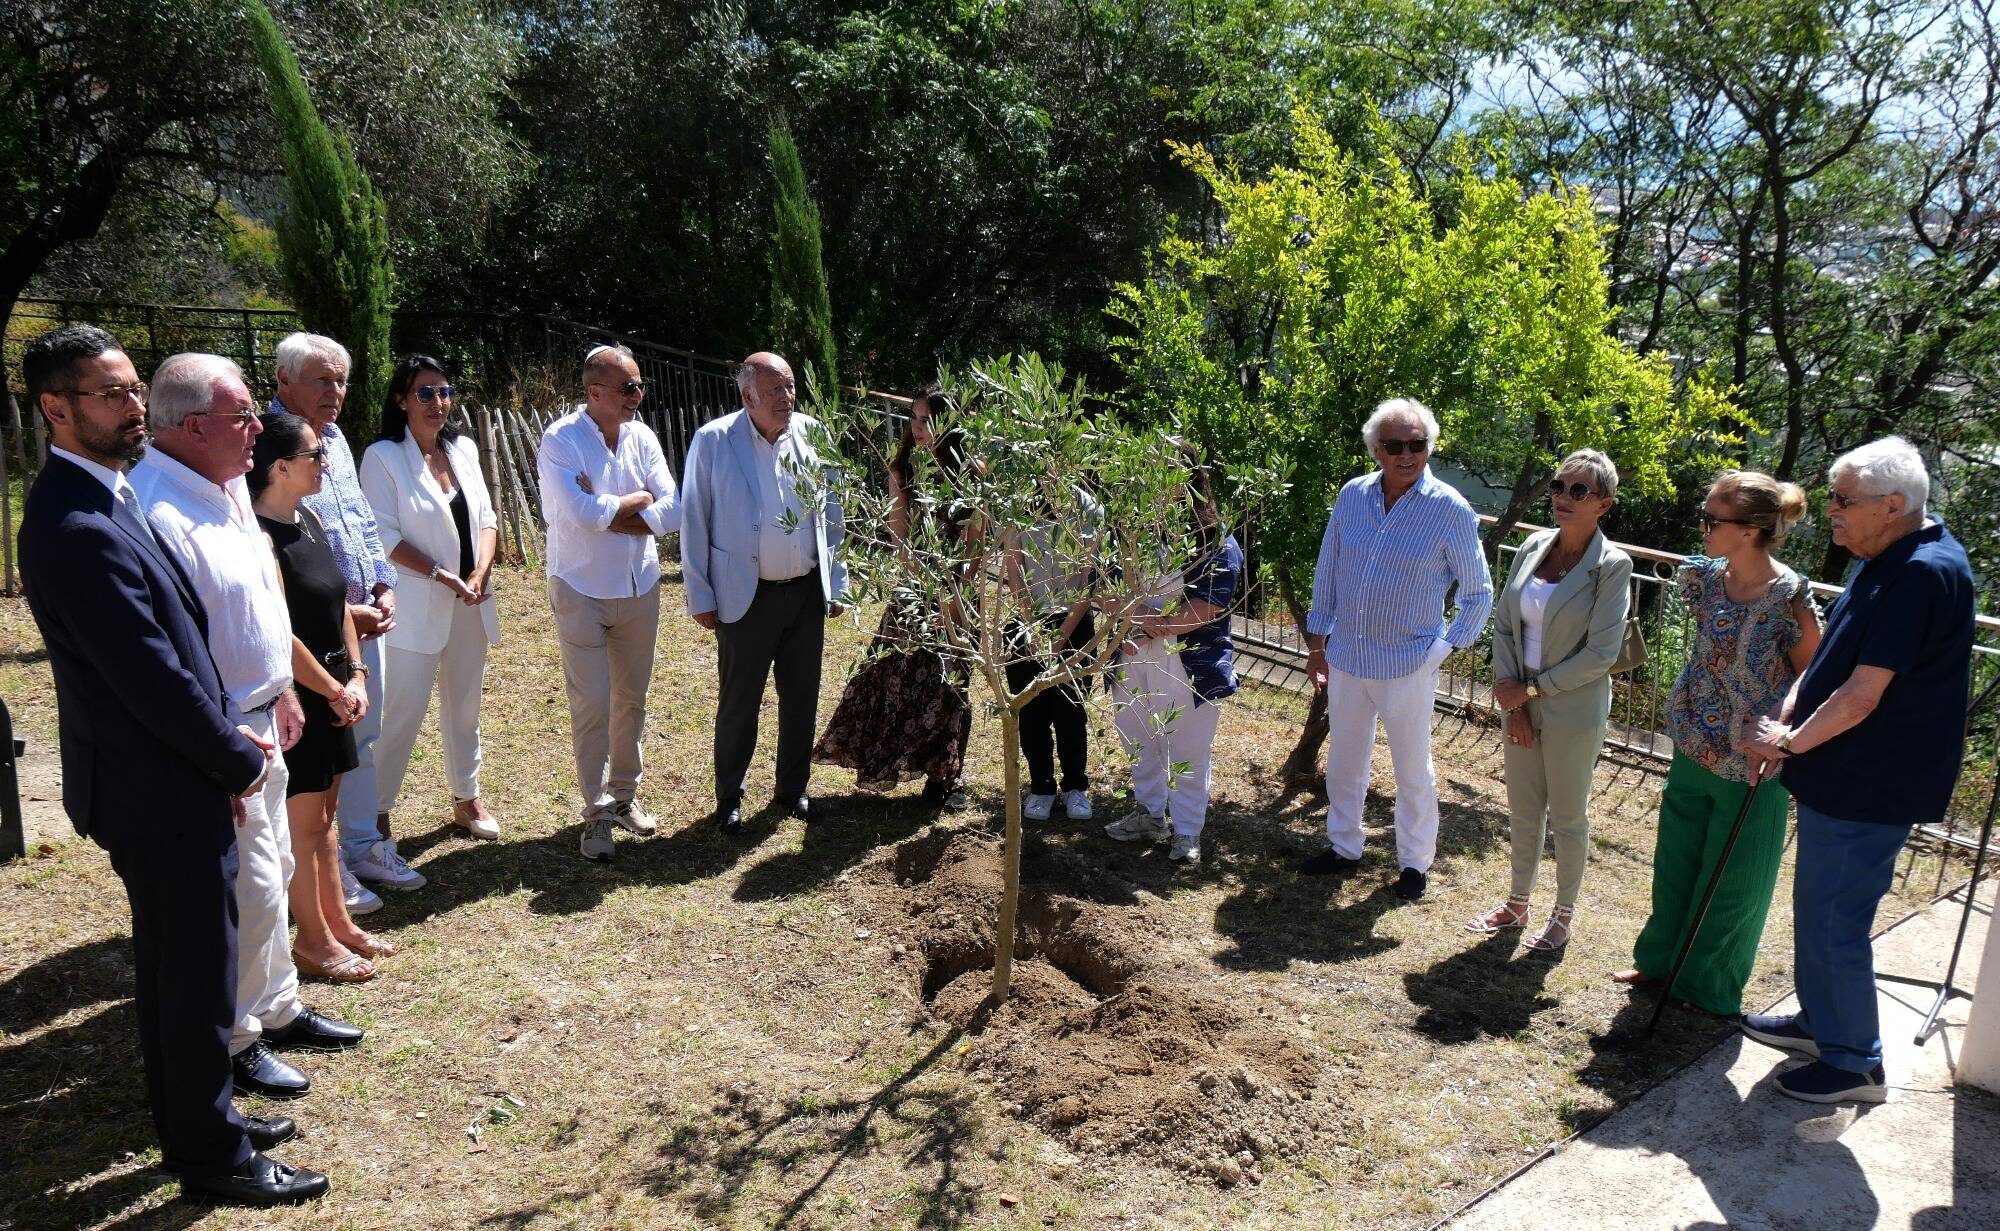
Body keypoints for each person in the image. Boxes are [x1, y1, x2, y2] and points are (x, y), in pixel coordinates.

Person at [18, 326, 328, 1205]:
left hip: (166, 773)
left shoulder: (107, 494)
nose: (131, 406)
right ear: (55, 407)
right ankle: (213, 1158)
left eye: (131, 388)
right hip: (153, 785)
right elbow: (149, 675)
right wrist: (233, 759)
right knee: (191, 976)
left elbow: (180, 639)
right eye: (110, 393)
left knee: (183, 971)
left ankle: (199, 1121)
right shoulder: (75, 524)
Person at [132, 354, 365, 1105]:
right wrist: (223, 741)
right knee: (251, 887)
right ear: (193, 425)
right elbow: (170, 649)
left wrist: (283, 686)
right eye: (242, 416)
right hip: (223, 729)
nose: (259, 429)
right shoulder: (157, 509)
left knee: (277, 871)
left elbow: (259, 598)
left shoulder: (227, 485)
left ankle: (278, 1005)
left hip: (267, 712)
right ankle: (235, 1040)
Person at [1742, 438, 1974, 1104]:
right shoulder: (1885, 556)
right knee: (1819, 910)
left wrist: (1790, 743)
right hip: (1840, 772)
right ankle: (1823, 1024)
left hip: (1869, 783)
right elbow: (1831, 662)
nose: (1831, 511)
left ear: (1892, 505)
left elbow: (1863, 693)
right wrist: (1788, 714)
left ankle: (1854, 1062)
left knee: (1834, 918)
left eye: (1843, 499)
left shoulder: (1922, 573)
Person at [1616, 471, 1819, 1015]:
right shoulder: (1704, 578)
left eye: (1712, 519)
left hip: (1752, 756)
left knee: (1733, 880)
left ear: (1750, 529)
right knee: (1676, 861)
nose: (1702, 528)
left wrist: (1782, 723)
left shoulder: (1789, 595)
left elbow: (1812, 671)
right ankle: (1660, 963)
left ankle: (1706, 988)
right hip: (1693, 739)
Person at [1297, 398, 1494, 901]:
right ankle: (1344, 846)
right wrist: (1318, 643)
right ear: (1376, 449)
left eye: (1417, 444)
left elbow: (1478, 593)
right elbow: (1328, 568)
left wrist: (1440, 652)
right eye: (1395, 445)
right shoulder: (1353, 496)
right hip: (1347, 656)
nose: (1407, 454)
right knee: (1345, 760)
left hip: (1409, 663)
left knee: (1412, 769)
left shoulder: (1450, 509)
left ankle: (1414, 864)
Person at [270, 332, 414, 911]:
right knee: (321, 752)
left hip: (360, 623)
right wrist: (340, 610)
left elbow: (361, 523)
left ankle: (361, 847)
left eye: (341, 381)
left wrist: (383, 584)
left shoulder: (334, 439)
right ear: (284, 381)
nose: (335, 391)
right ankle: (324, 868)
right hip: (309, 627)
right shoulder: (271, 442)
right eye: (322, 380)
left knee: (362, 739)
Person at [1467, 450, 1633, 952]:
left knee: (1567, 816)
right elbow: (1504, 625)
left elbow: (1602, 653)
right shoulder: (1534, 545)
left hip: (1574, 709)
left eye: (1578, 490)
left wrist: (1533, 691)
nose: (1563, 497)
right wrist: (1515, 703)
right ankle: (1517, 903)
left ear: (1603, 504)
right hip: (1520, 699)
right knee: (1523, 809)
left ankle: (1562, 916)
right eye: (1559, 486)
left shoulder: (1612, 565)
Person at [252, 413, 395, 984]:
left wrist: (355, 675)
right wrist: (333, 689)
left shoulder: (307, 518)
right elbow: (278, 631)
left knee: (325, 819)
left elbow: (337, 607)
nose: (325, 463)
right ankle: (312, 940)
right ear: (280, 467)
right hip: (302, 696)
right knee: (304, 824)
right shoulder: (260, 536)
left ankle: (339, 924)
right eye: (314, 455)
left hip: (337, 688)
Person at [681, 351, 849, 832]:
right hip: (744, 595)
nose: (787, 397)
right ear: (748, 395)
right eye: (776, 389)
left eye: (791, 386)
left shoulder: (813, 434)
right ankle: (729, 796)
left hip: (805, 593)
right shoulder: (714, 440)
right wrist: (700, 594)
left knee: (802, 697)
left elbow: (832, 513)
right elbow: (694, 519)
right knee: (740, 702)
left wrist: (836, 580)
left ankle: (792, 788)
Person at [536, 344, 681, 862]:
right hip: (580, 587)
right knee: (592, 704)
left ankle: (623, 796)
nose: (638, 395)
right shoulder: (561, 439)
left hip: (640, 586)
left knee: (632, 699)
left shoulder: (642, 436)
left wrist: (618, 513)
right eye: (628, 387)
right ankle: (596, 815)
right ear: (595, 392)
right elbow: (580, 514)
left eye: (641, 386)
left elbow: (674, 506)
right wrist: (637, 500)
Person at [360, 355, 501, 842]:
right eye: (425, 393)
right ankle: (376, 813)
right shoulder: (382, 457)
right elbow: (383, 537)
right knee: (402, 712)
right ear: (402, 400)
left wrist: (479, 572)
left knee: (465, 708)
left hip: (471, 602)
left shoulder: (462, 449)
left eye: (444, 392)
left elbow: (487, 520)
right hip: (417, 605)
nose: (437, 402)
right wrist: (442, 575)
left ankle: (467, 797)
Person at [813, 388, 975, 808]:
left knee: (952, 686)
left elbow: (976, 546)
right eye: (914, 418)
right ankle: (896, 761)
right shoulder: (903, 469)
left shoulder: (972, 475)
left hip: (960, 595)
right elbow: (901, 542)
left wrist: (957, 597)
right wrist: (929, 593)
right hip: (916, 593)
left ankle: (947, 778)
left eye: (926, 420)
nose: (917, 428)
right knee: (898, 682)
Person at [1100, 447, 1244, 866]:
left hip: (1188, 659)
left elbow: (1207, 606)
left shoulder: (1214, 540)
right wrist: (1138, 617)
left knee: (1187, 747)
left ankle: (1186, 832)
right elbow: (1101, 587)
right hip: (1132, 653)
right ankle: (1149, 815)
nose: (1161, 482)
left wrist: (1151, 622)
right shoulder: (1129, 531)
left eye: (1171, 472)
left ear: (1191, 479)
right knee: (1137, 736)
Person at [1003, 480, 1104, 823]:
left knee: (1071, 710)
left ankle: (1076, 786)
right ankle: (1041, 787)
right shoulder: (1015, 501)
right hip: (1025, 621)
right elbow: (1013, 569)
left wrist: (1061, 635)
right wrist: (1032, 626)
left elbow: (1088, 579)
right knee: (1031, 712)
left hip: (1074, 622)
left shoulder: (1088, 507)